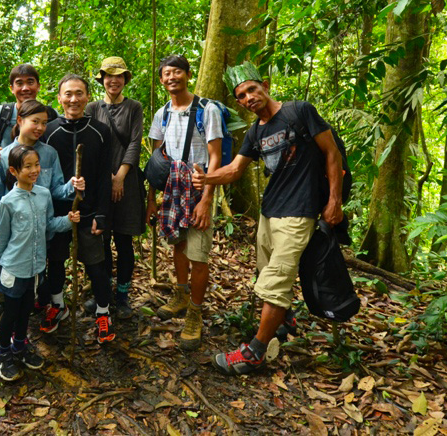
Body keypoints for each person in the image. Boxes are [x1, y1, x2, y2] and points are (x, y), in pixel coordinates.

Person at [192, 62, 344, 374]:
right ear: (239, 103)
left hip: (299, 213)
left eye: (252, 89)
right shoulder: (255, 131)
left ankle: (254, 352)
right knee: (266, 274)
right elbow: (235, 169)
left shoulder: (299, 111)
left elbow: (332, 153)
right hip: (269, 212)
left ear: (264, 85)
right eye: (242, 96)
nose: (249, 97)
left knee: (276, 282)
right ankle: (284, 320)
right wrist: (207, 179)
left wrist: (334, 200)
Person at [146, 55, 222, 351]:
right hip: (170, 186)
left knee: (198, 253)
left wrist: (207, 199)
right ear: (162, 80)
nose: (172, 78)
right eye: (166, 74)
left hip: (198, 186)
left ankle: (195, 311)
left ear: (188, 75)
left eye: (177, 72)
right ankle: (180, 294)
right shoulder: (161, 113)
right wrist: (152, 199)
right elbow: (156, 158)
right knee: (177, 242)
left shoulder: (207, 109)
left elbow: (215, 156)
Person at [0, 144, 81, 381]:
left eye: (37, 165)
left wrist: (68, 220)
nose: (34, 170)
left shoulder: (43, 195)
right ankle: (3, 353)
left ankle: (20, 347)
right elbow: (2, 237)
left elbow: (49, 225)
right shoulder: (8, 202)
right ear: (13, 170)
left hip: (36, 268)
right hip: (13, 267)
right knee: (10, 313)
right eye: (28, 166)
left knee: (26, 311)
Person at [40, 74, 116, 344]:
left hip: (90, 211)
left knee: (96, 266)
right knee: (56, 261)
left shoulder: (100, 131)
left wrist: (101, 214)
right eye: (68, 94)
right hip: (57, 213)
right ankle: (58, 306)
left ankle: (103, 313)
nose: (73, 99)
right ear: (59, 98)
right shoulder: (48, 131)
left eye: (79, 93)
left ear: (87, 97)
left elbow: (105, 176)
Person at [0, 64, 58, 320]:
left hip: (36, 206)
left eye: (31, 82)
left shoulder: (49, 116)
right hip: (8, 199)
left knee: (33, 259)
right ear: (12, 87)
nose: (25, 87)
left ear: (38, 84)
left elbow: (53, 163)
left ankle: (31, 299)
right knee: (2, 255)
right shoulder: (1, 113)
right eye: (19, 83)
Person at [0, 99, 83, 277]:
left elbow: (56, 191)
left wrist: (72, 186)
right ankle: (0, 303)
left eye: (44, 123)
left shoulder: (49, 153)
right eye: (35, 121)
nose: (40, 127)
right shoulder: (4, 156)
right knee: (5, 277)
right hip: (12, 234)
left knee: (35, 278)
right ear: (20, 120)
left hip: (41, 231)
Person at [84, 57, 144, 318]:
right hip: (100, 182)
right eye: (108, 76)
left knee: (124, 239)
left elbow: (134, 141)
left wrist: (119, 176)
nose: (113, 80)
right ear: (102, 80)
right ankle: (103, 292)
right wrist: (107, 177)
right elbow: (89, 142)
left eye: (119, 76)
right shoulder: (92, 108)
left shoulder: (134, 107)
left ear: (125, 80)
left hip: (127, 182)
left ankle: (122, 294)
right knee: (102, 239)